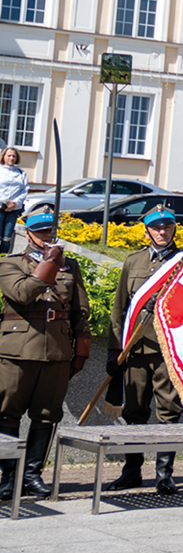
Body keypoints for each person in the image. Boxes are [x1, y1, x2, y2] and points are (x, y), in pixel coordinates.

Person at [0, 205, 89, 498]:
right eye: (40, 231)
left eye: (49, 231)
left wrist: (81, 351)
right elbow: (23, 294)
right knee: (8, 413)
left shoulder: (70, 266)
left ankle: (32, 475)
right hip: (18, 351)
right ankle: (8, 477)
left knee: (47, 415)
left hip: (57, 352)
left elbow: (80, 311)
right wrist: (49, 263)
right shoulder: (10, 264)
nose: (46, 236)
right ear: (28, 234)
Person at [106, 206, 183, 493]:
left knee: (169, 411)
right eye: (156, 227)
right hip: (136, 350)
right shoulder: (134, 261)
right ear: (147, 230)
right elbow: (120, 309)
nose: (162, 231)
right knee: (134, 412)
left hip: (169, 351)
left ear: (174, 229)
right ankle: (132, 471)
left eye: (167, 227)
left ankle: (165, 473)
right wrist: (113, 350)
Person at [0, 146, 27, 254]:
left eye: (13, 156)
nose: (11, 158)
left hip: (14, 209)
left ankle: (3, 261)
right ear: (4, 157)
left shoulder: (21, 173)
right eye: (9, 155)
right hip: (1, 206)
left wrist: (15, 203)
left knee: (7, 238)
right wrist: (6, 201)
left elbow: (25, 190)